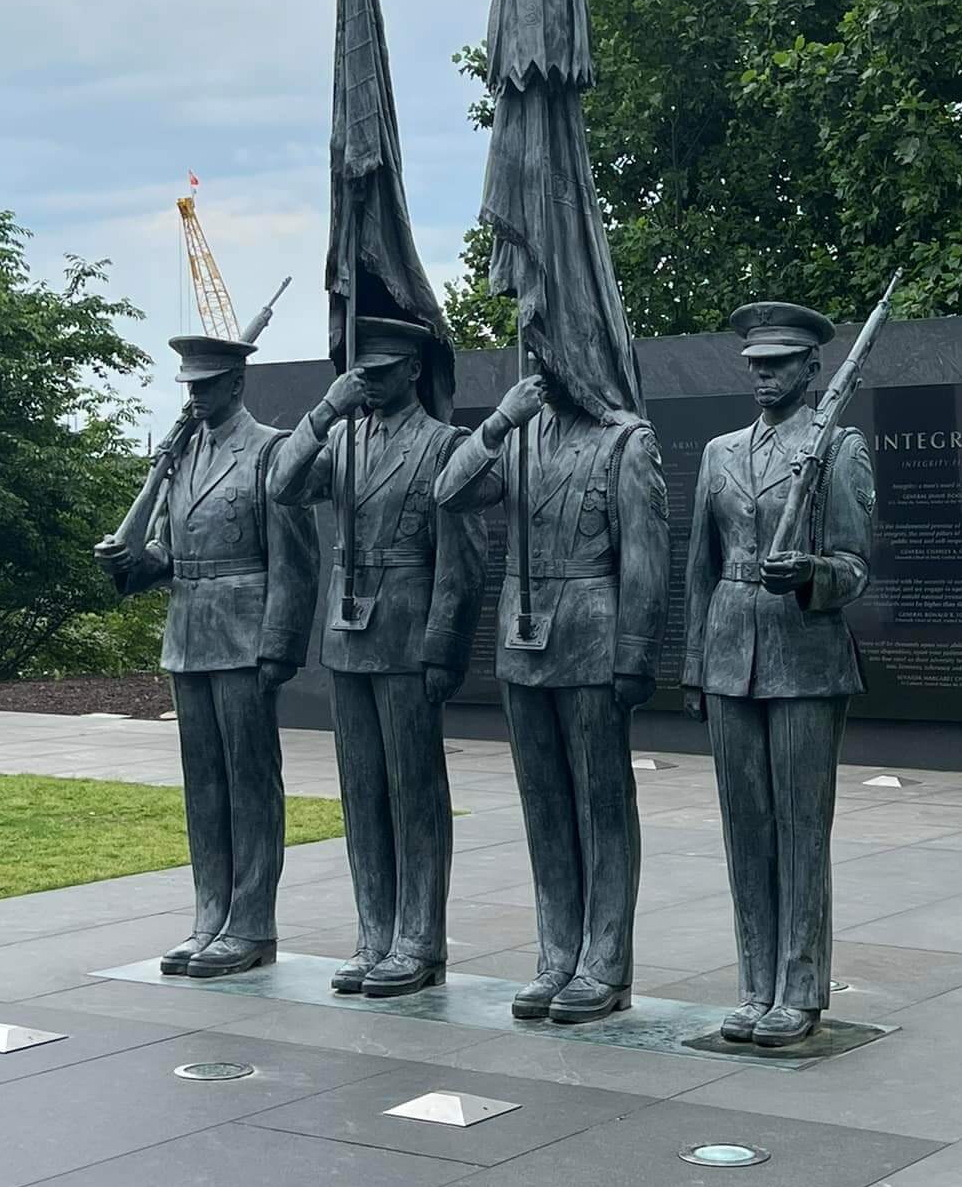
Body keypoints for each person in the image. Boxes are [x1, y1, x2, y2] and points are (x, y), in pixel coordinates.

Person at [435, 367, 668, 1023]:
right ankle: (556, 955)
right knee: (544, 809)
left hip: (592, 638)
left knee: (601, 805)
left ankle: (604, 964)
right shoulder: (518, 434)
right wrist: (499, 421)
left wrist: (635, 651)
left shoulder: (625, 441)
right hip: (523, 642)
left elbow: (646, 557)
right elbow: (448, 492)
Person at [269, 317, 486, 996]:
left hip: (407, 632)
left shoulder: (445, 444)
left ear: (414, 371)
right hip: (348, 633)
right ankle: (374, 932)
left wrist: (443, 648)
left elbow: (463, 562)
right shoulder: (343, 440)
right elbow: (281, 484)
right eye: (360, 373)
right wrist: (327, 405)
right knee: (361, 792)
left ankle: (419, 938)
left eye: (381, 371)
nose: (368, 382)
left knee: (414, 791)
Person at [95, 334, 318, 977]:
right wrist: (131, 562)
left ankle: (250, 924)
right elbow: (167, 554)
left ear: (235, 385)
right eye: (188, 386)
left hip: (246, 634)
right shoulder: (181, 456)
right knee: (206, 788)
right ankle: (209, 915)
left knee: (251, 784)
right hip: (189, 635)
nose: (192, 396)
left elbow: (296, 561)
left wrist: (280, 645)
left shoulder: (271, 451)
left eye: (204, 385)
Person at [682, 301, 875, 1047]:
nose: (765, 376)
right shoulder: (721, 452)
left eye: (780, 364)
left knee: (800, 832)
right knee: (746, 830)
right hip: (732, 651)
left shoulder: (838, 447)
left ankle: (798, 988)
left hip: (805, 654)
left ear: (811, 367)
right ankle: (753, 982)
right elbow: (699, 568)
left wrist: (811, 572)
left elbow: (857, 565)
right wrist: (695, 667)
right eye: (756, 364)